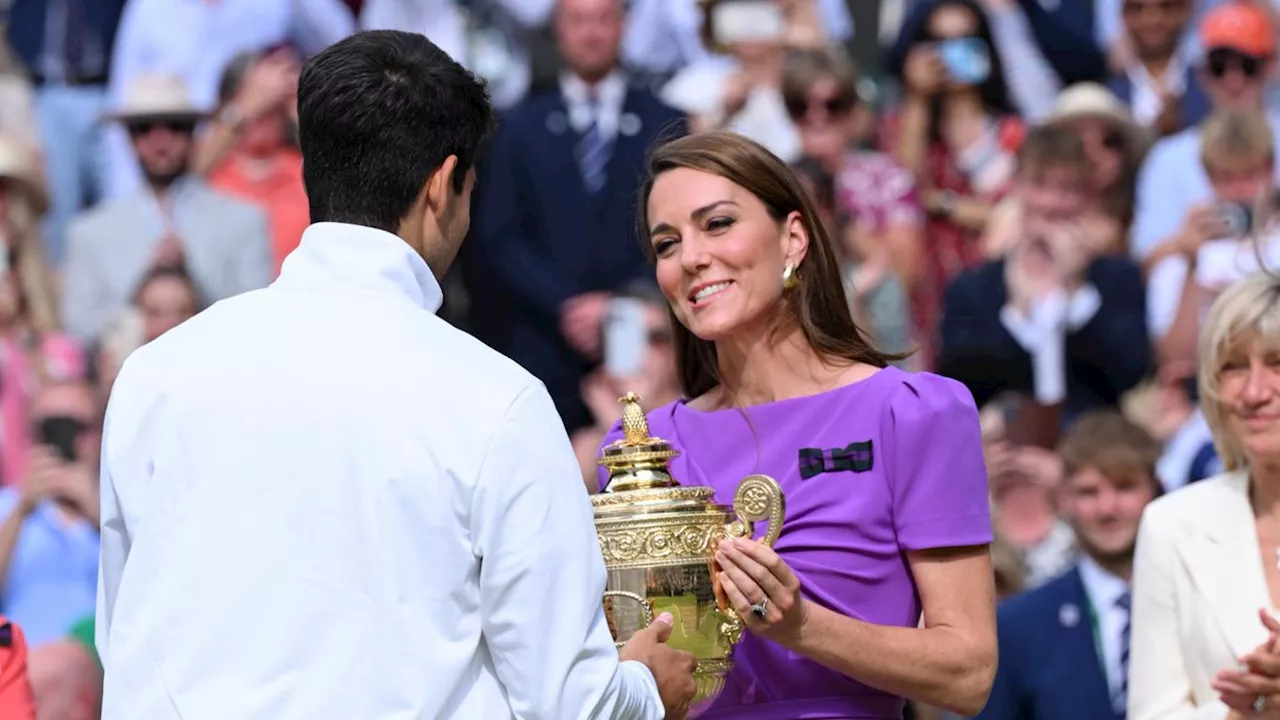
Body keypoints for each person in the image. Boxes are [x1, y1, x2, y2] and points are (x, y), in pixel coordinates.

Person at [95, 31, 696, 720]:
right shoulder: (497, 402)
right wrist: (651, 690)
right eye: (472, 188)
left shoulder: (155, 376)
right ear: (444, 186)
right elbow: (568, 704)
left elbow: (126, 636)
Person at [598, 130, 998, 718]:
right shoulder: (641, 449)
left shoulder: (913, 412)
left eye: (717, 224)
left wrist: (802, 625)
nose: (690, 258)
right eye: (666, 243)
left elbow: (969, 673)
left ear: (793, 237)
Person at [1128, 269, 1280, 720]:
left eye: (1278, 363)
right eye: (1233, 366)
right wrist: (1246, 713)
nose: (1253, 392)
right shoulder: (1172, 524)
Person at [977, 411, 1162, 719]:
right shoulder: (1018, 627)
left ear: (1155, 488)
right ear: (1063, 499)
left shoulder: (1201, 601)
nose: (1107, 509)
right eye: (1088, 492)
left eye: (1125, 487)